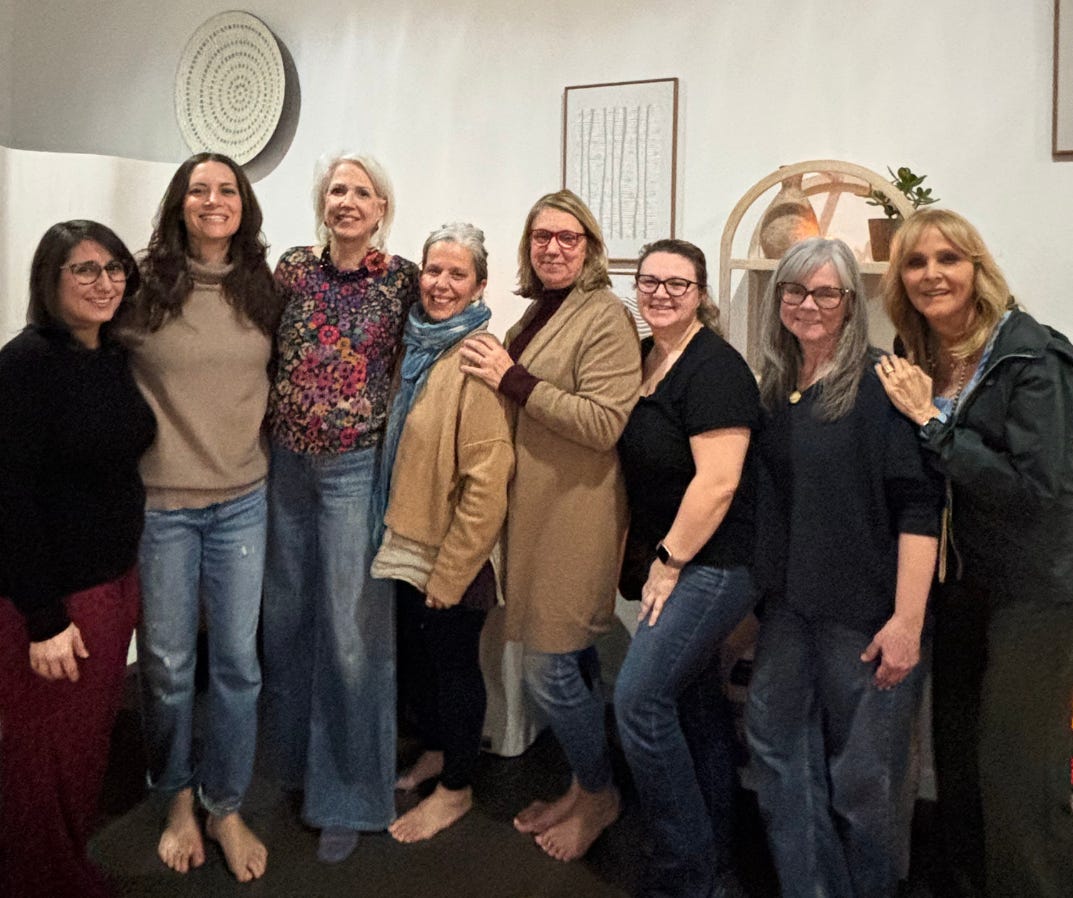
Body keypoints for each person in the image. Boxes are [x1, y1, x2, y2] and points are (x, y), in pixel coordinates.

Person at [876, 208, 1073, 898]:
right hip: (960, 586)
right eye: (915, 262)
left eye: (947, 258)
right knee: (956, 762)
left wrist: (931, 422)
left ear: (976, 268)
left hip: (1032, 590)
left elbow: (1037, 488)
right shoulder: (919, 358)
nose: (931, 274)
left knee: (1018, 770)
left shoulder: (1030, 355)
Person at [745, 237, 941, 898]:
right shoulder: (776, 386)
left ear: (851, 303)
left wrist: (906, 622)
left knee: (866, 782)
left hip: (863, 618)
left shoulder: (881, 384)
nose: (807, 305)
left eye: (825, 292)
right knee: (776, 757)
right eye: (795, 292)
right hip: (789, 610)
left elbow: (920, 506)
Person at [460, 189, 641, 861]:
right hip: (534, 510)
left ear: (589, 247)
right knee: (568, 662)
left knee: (548, 669)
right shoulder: (540, 311)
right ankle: (578, 783)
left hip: (577, 513)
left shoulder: (605, 317)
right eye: (541, 237)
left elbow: (602, 423)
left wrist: (512, 379)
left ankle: (599, 792)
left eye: (567, 238)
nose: (553, 248)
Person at [122, 153, 280, 882]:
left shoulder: (263, 290)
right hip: (163, 507)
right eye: (198, 189)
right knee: (168, 667)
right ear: (178, 203)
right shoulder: (143, 287)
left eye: (226, 189)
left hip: (243, 500)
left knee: (240, 665)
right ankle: (177, 798)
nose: (212, 200)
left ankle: (225, 804)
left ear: (242, 203)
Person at [263, 153, 419, 863]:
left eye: (361, 191)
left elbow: (432, 350)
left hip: (354, 468)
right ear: (321, 202)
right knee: (287, 620)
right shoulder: (292, 270)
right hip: (283, 465)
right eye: (336, 189)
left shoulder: (400, 281)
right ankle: (288, 771)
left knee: (353, 634)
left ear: (381, 207)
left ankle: (351, 794)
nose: (346, 200)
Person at [0, 220, 155, 898]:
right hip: (57, 600)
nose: (105, 283)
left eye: (115, 268)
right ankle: (37, 879)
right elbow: (8, 497)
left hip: (112, 583)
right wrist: (42, 618)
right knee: (43, 759)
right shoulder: (26, 364)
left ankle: (62, 868)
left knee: (84, 748)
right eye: (85, 271)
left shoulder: (112, 355)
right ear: (50, 282)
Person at [613, 239, 758, 898]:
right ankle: (714, 859)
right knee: (692, 706)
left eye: (677, 283)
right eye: (649, 281)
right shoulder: (649, 358)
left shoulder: (713, 369)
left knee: (638, 702)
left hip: (713, 564)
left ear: (700, 293)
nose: (661, 293)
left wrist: (668, 563)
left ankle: (683, 868)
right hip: (680, 559)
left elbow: (718, 483)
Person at [369, 222, 514, 843]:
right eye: (434, 271)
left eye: (458, 274)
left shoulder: (476, 356)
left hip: (454, 551)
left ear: (480, 284)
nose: (442, 284)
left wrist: (453, 570)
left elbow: (487, 479)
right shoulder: (415, 345)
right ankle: (434, 751)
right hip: (408, 537)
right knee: (422, 660)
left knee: (455, 665)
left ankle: (456, 788)